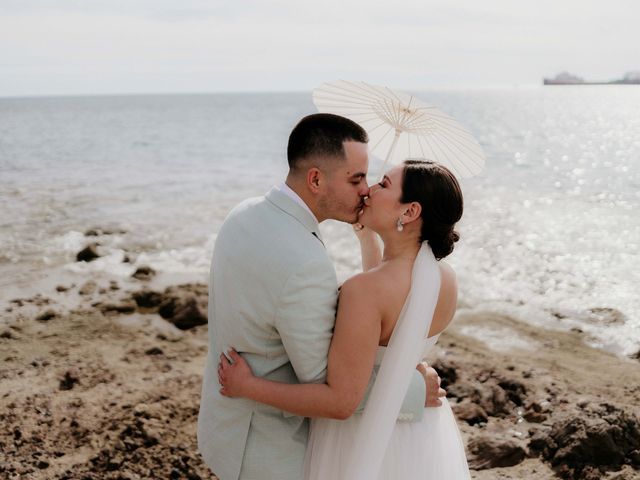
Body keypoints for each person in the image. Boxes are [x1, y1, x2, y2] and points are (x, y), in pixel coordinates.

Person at [197, 114, 443, 480]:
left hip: (224, 427)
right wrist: (411, 390)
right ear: (316, 179)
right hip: (270, 453)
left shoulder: (244, 213)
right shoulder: (305, 263)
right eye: (356, 178)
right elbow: (327, 383)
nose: (366, 190)